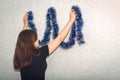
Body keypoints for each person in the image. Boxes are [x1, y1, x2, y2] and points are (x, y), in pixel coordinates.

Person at [13, 10, 76, 80]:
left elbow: (23, 41)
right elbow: (59, 39)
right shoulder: (39, 53)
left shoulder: (21, 55)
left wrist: (25, 25)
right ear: (31, 42)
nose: (38, 40)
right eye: (36, 39)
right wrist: (71, 20)